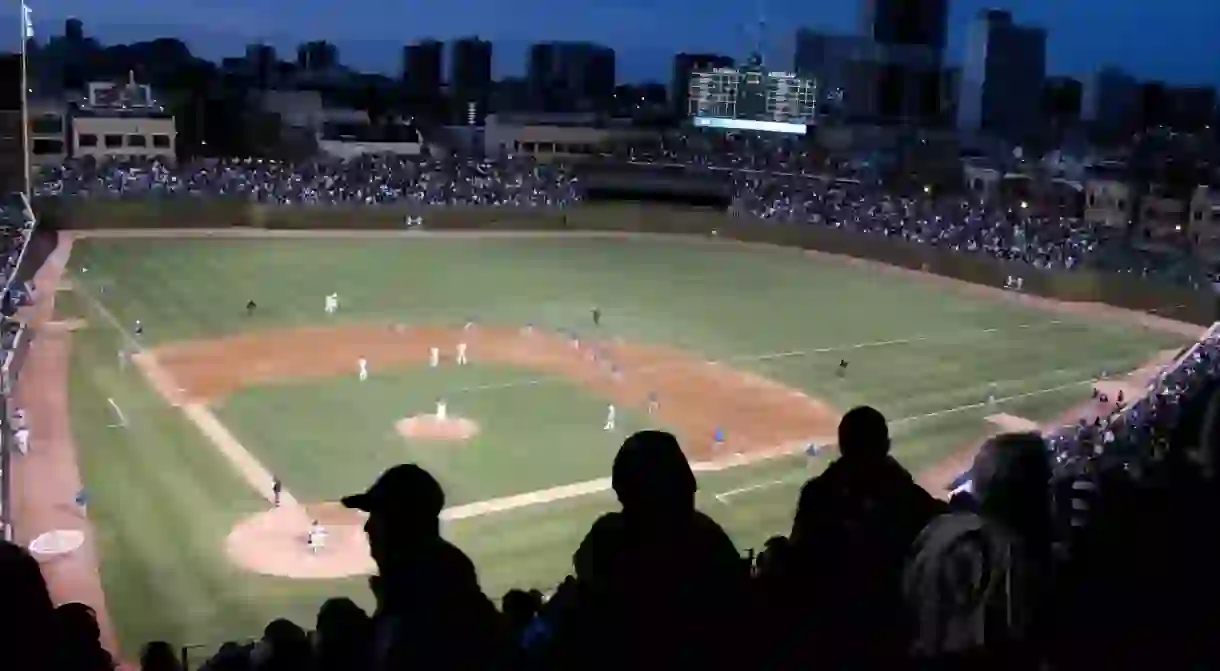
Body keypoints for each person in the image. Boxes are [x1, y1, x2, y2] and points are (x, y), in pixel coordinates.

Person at [341, 464, 505, 669]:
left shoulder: (433, 606)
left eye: (377, 515)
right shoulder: (413, 593)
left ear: (401, 523)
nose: (367, 526)